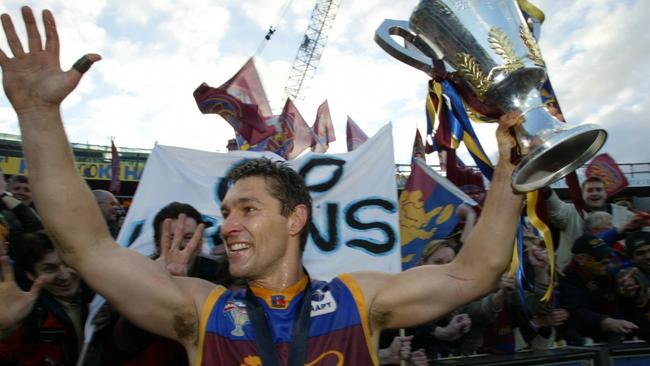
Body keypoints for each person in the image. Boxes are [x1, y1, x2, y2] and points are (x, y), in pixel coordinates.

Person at [0, 7, 523, 365]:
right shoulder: (201, 311)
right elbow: (86, 246)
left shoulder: (358, 301)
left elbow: (476, 271)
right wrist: (39, 114)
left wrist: (509, 169)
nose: (227, 225)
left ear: (295, 219)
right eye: (226, 211)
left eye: (247, 209)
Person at [0, 231, 110, 365]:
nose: (65, 276)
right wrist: (5, 333)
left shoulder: (99, 294)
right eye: (50, 269)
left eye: (69, 264)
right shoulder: (28, 315)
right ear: (31, 275)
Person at [545, 176, 634, 271]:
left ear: (605, 193)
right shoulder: (570, 211)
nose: (595, 193)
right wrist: (544, 186)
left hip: (615, 276)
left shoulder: (623, 213)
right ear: (582, 194)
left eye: (599, 189)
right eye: (590, 190)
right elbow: (555, 207)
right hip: (575, 275)